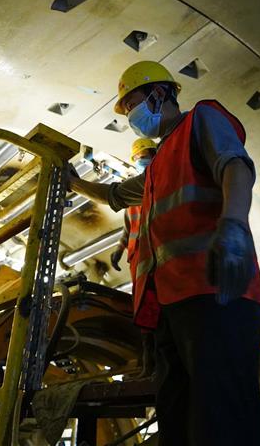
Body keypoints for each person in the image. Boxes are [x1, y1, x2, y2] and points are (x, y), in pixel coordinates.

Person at [70, 61, 260, 446]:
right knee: (177, 414)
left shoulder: (202, 120)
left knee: (221, 412)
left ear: (160, 94)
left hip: (216, 289)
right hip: (172, 304)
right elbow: (115, 195)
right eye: (126, 112)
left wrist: (234, 224)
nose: (131, 117)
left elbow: (235, 166)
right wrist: (74, 183)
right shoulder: (159, 161)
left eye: (133, 105)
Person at [110, 138, 158, 378]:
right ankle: (148, 367)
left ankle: (155, 367)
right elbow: (129, 226)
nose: (141, 160)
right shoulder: (135, 187)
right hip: (137, 260)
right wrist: (119, 249)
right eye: (138, 158)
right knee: (143, 315)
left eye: (144, 155)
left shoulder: (161, 181)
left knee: (155, 314)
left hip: (155, 258)